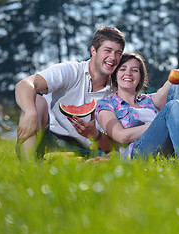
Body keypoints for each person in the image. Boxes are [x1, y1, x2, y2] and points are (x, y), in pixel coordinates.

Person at [15, 26, 125, 160]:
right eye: (107, 50)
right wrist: (30, 112)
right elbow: (25, 84)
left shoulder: (118, 92)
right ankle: (29, 167)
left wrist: (94, 134)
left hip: (87, 150)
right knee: (37, 102)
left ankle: (72, 163)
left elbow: (112, 145)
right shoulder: (71, 71)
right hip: (50, 140)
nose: (113, 57)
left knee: (114, 155)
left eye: (118, 53)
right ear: (93, 51)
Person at [96, 52, 179, 160]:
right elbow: (122, 136)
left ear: (140, 78)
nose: (128, 73)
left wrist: (178, 76)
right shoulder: (106, 105)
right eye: (122, 69)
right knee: (172, 106)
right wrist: (159, 123)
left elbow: (167, 88)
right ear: (115, 76)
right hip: (139, 152)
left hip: (166, 144)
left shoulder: (148, 100)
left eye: (134, 70)